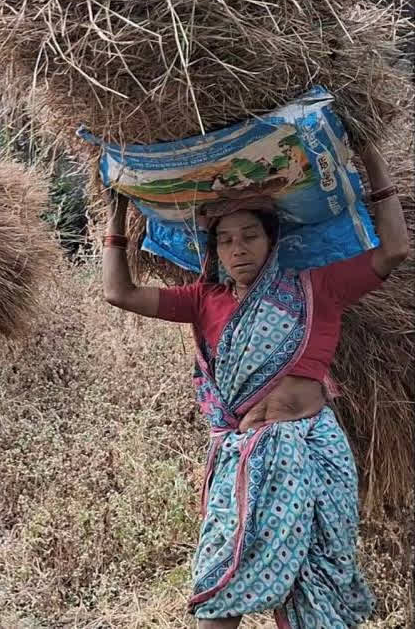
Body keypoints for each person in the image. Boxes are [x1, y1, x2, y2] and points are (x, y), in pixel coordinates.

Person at [101, 143, 408, 628]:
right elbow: (120, 292)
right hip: (243, 461)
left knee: (314, 586)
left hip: (311, 452)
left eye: (248, 236)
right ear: (215, 250)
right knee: (219, 588)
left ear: (272, 240)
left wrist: (372, 161)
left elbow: (394, 250)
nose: (237, 249)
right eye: (225, 240)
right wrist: (116, 215)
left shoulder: (316, 287)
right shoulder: (205, 299)